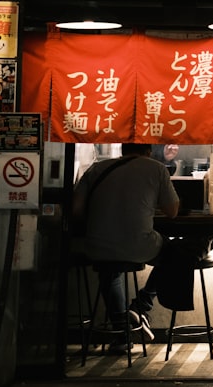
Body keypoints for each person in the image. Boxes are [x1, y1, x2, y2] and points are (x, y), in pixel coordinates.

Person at [72, 143, 179, 352]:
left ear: (122, 151)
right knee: (175, 253)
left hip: (97, 246)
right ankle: (142, 305)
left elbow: (76, 210)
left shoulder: (97, 168)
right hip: (140, 245)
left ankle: (121, 334)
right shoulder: (156, 168)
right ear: (148, 152)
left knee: (109, 269)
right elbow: (172, 211)